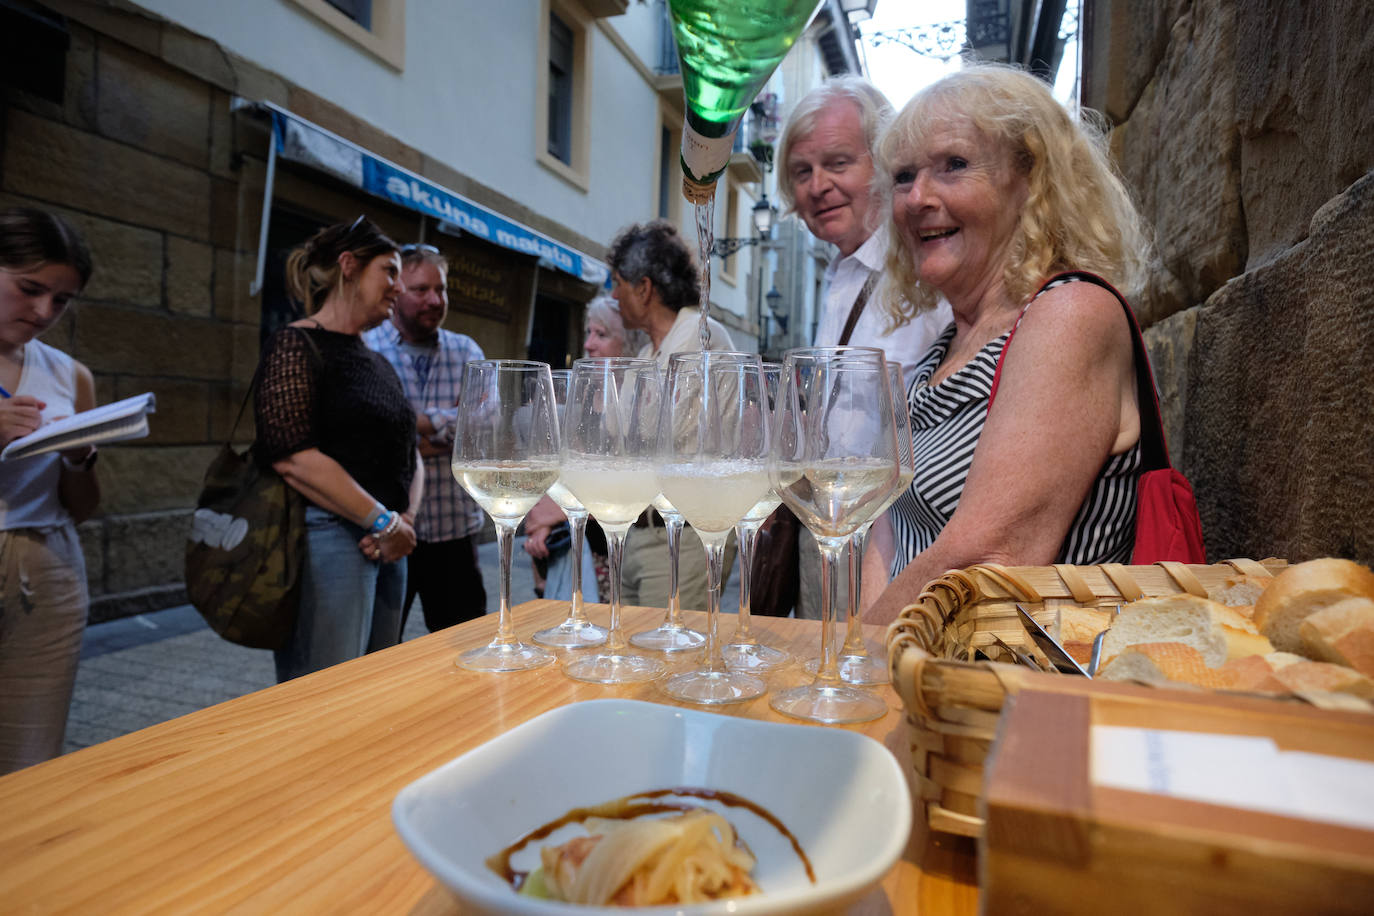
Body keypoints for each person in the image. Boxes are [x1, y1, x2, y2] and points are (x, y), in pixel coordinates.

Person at [863, 64, 1149, 625]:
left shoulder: (1070, 314)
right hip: (917, 674)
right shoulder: (939, 352)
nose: (918, 197)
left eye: (954, 166)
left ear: (1031, 178)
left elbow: (991, 558)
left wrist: (853, 660)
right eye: (903, 177)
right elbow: (883, 531)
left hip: (1019, 694)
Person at [777, 75, 953, 620]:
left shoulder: (926, 266)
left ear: (882, 163)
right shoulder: (842, 270)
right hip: (829, 525)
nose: (817, 186)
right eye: (802, 172)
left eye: (838, 163)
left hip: (898, 541)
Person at [256, 216, 422, 681]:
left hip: (390, 540)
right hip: (330, 539)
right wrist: (383, 520)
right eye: (389, 271)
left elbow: (408, 449)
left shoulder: (377, 361)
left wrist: (403, 521)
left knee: (372, 687)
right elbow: (294, 458)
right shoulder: (295, 345)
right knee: (327, 690)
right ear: (349, 266)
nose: (398, 286)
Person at [0, 207, 100, 774]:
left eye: (61, 301)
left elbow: (83, 508)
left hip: (47, 567)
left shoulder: (69, 374)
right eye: (29, 289)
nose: (43, 312)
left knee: (30, 762)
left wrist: (80, 460)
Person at [607, 220, 735, 612]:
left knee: (666, 660)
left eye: (617, 283)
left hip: (682, 537)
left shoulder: (701, 337)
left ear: (644, 288)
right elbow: (616, 442)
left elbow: (664, 439)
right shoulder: (647, 355)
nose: (613, 295)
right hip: (639, 532)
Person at [363, 242, 487, 631]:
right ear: (397, 290)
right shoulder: (368, 348)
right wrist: (449, 425)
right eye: (421, 290)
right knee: (377, 650)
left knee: (464, 642)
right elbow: (373, 439)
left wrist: (415, 428)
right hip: (388, 528)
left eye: (442, 289)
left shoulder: (467, 351)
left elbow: (484, 431)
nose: (435, 299)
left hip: (454, 532)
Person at [522, 295, 627, 602]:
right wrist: (541, 526)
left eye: (602, 334)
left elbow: (630, 486)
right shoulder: (582, 402)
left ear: (629, 343)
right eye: (588, 333)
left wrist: (555, 514)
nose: (589, 344)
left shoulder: (637, 407)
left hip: (617, 552)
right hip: (575, 547)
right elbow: (562, 476)